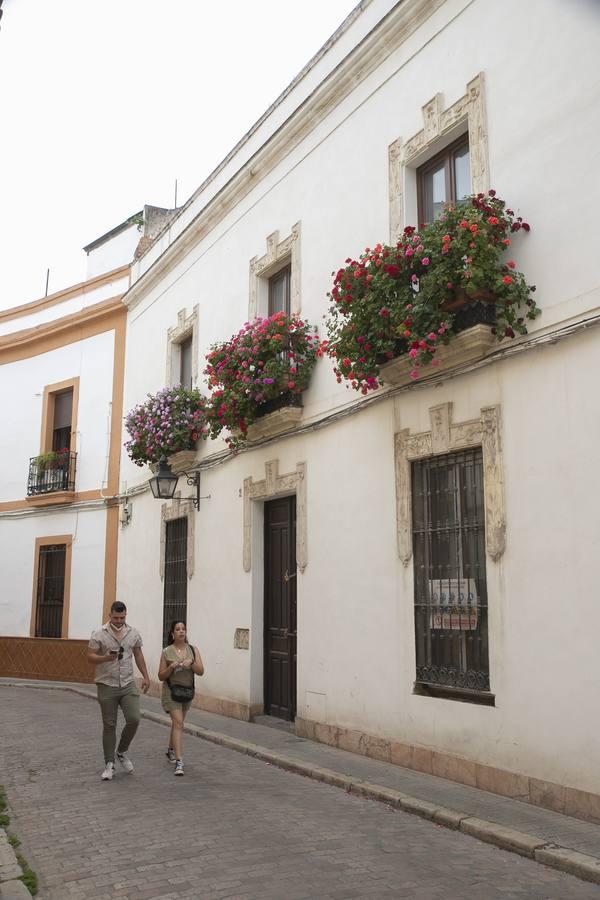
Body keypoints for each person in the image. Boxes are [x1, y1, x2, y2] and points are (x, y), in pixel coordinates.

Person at [87, 600, 150, 781]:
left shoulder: (133, 633)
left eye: (122, 617)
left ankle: (121, 751)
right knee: (109, 725)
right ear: (110, 615)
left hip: (128, 683)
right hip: (106, 683)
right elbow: (90, 657)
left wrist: (145, 676)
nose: (119, 621)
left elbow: (138, 654)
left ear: (125, 616)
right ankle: (109, 764)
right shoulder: (99, 633)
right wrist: (106, 658)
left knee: (134, 719)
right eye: (116, 617)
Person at [158, 620, 204, 776]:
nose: (181, 632)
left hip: (186, 692)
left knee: (178, 723)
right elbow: (160, 676)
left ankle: (171, 749)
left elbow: (201, 671)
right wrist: (171, 667)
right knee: (178, 722)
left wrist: (191, 663)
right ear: (172, 633)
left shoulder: (193, 650)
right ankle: (179, 761)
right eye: (177, 629)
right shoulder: (166, 652)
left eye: (183, 629)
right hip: (171, 692)